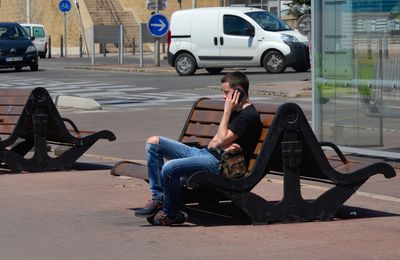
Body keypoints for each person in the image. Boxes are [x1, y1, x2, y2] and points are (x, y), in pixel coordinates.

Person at [135, 71, 263, 225]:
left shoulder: (248, 116)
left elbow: (220, 139)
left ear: (239, 90)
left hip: (218, 163)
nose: (224, 97)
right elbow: (215, 142)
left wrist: (227, 111)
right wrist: (222, 140)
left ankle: (170, 213)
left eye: (226, 93)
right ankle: (158, 198)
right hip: (205, 153)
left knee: (169, 168)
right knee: (154, 142)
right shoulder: (238, 112)